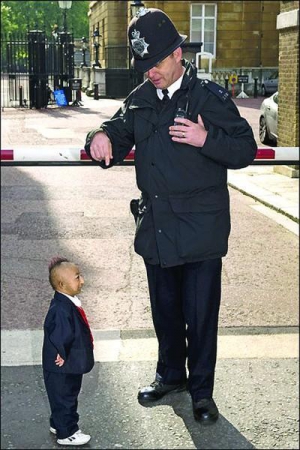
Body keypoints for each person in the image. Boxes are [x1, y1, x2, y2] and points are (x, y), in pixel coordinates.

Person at [84, 8, 257, 424]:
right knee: (165, 312)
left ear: (178, 54)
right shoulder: (141, 98)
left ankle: (201, 392)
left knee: (199, 318)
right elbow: (117, 129)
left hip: (200, 230)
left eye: (156, 63)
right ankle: (170, 377)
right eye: (143, 66)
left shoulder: (208, 99)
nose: (150, 73)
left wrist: (205, 137)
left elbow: (245, 149)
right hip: (158, 228)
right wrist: (100, 137)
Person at [42, 257, 94, 445]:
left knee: (62, 396)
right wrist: (62, 354)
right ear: (62, 284)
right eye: (77, 277)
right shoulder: (61, 309)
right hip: (63, 367)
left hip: (66, 366)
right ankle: (67, 433)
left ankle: (58, 423)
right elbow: (59, 334)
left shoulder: (65, 302)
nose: (82, 281)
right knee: (66, 398)